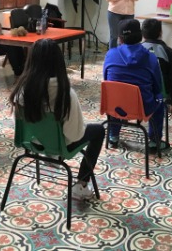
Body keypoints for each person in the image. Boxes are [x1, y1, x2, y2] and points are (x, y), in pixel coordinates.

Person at [10, 38, 104, 199]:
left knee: (49, 130)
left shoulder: (21, 90)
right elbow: (74, 134)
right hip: (59, 145)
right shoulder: (65, 93)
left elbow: (17, 122)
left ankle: (49, 153)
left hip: (32, 142)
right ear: (59, 62)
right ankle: (81, 185)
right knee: (98, 130)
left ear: (31, 61)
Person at [103, 19, 167, 149]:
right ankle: (154, 141)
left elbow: (106, 80)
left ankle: (113, 136)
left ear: (120, 39)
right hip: (142, 108)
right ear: (141, 36)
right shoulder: (151, 58)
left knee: (114, 95)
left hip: (116, 107)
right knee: (160, 100)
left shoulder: (110, 55)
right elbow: (157, 87)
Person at [141, 18, 172, 116]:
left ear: (143, 34)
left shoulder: (137, 50)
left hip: (140, 93)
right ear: (160, 33)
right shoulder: (168, 52)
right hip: (161, 94)